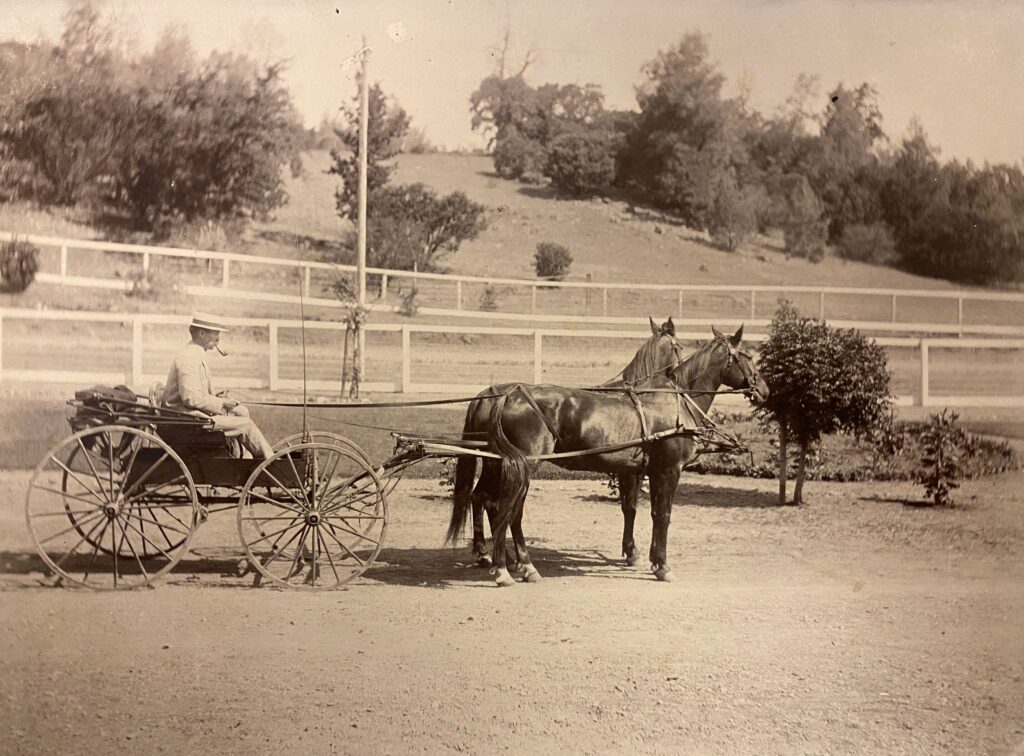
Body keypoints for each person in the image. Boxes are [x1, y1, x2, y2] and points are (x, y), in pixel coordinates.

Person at [162, 312, 274, 459]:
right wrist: (221, 403)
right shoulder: (189, 358)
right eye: (216, 333)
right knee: (247, 426)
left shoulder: (196, 353)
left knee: (241, 411)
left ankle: (239, 458)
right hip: (188, 422)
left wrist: (217, 397)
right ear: (202, 333)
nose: (218, 338)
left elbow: (195, 392)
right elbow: (190, 398)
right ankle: (271, 464)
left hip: (192, 416)